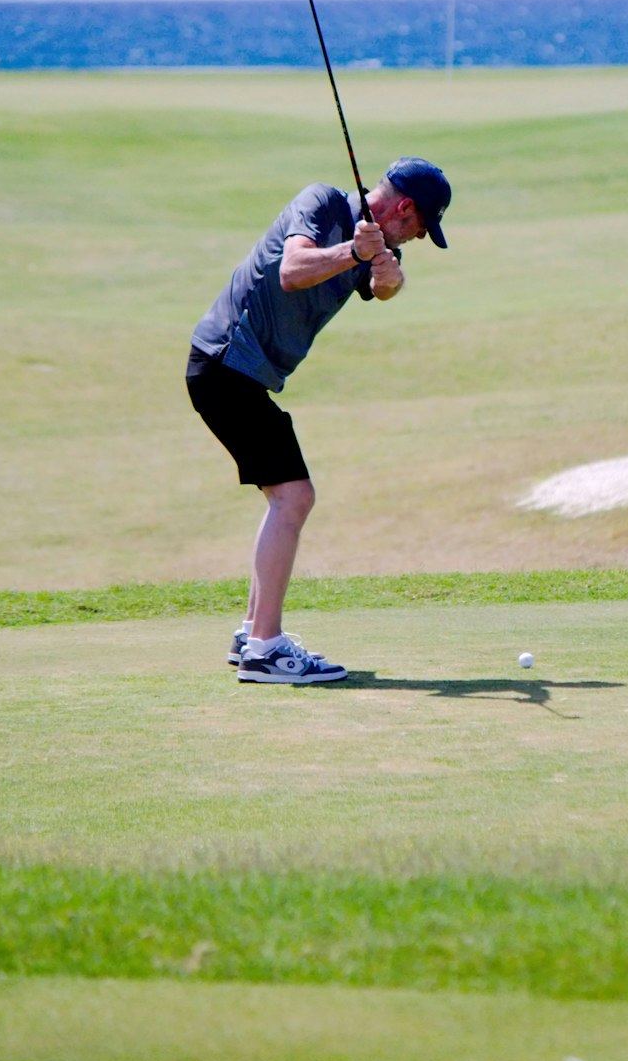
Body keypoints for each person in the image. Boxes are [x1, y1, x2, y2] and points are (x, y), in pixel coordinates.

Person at [186, 156, 451, 685]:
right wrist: (356, 252)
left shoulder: (378, 240)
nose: (420, 238)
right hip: (223, 364)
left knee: (287, 495)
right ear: (405, 207)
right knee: (294, 496)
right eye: (424, 227)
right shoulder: (321, 204)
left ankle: (251, 635)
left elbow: (379, 288)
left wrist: (388, 276)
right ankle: (264, 646)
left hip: (241, 376)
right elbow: (292, 272)